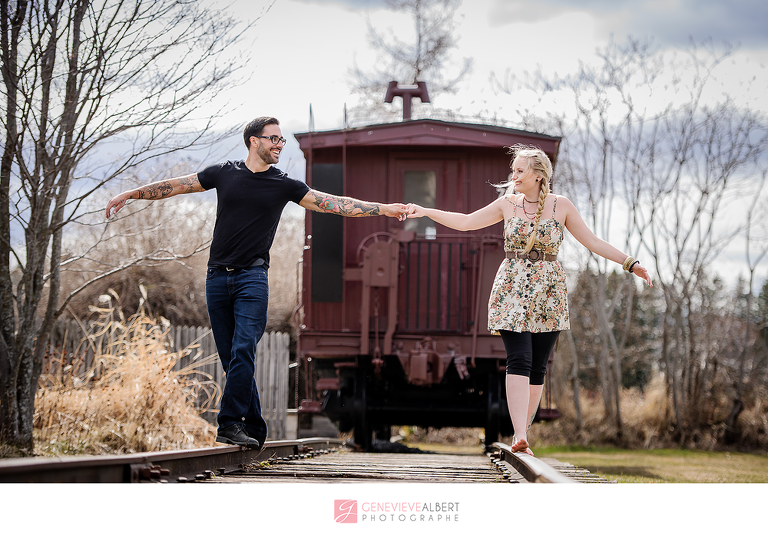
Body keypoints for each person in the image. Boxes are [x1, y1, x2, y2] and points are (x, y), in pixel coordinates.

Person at [107, 116, 408, 449]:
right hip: (216, 279)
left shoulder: (284, 185)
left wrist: (384, 209)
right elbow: (178, 185)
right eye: (274, 139)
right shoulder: (224, 173)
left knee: (243, 350)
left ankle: (229, 424)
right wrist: (132, 193)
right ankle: (256, 426)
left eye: (282, 140)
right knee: (231, 358)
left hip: (252, 279)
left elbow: (333, 204)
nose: (280, 145)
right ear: (254, 140)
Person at [404, 144, 652, 455]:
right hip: (512, 290)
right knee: (518, 358)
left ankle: (524, 432)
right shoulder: (508, 204)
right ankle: (519, 435)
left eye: (520, 170)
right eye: (514, 170)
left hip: (548, 293)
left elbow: (592, 241)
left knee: (538, 367)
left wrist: (631, 263)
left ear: (537, 175)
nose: (513, 175)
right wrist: (426, 211)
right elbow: (466, 221)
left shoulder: (561, 206)